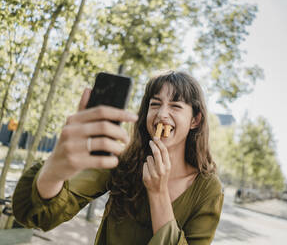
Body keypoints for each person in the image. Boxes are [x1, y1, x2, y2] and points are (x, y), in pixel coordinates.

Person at [12, 70, 224, 244]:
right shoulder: (122, 162)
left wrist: (157, 193)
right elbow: (41, 214)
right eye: (155, 104)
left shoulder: (207, 189)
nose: (161, 114)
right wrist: (55, 170)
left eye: (175, 106)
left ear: (195, 120)